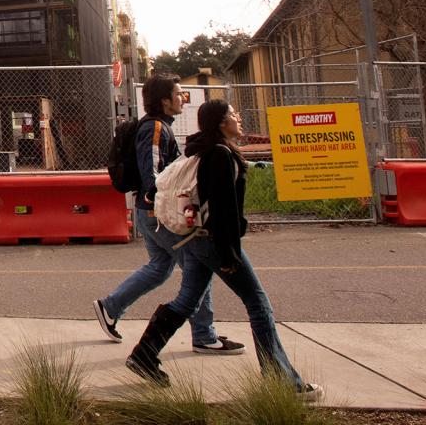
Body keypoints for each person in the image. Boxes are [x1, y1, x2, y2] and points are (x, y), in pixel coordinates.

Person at [124, 100, 322, 400]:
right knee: (258, 304)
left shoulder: (203, 149)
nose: (238, 119)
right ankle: (284, 382)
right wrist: (229, 254)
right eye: (232, 115)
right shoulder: (219, 155)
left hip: (199, 240)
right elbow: (223, 211)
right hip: (214, 242)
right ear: (220, 122)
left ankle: (144, 355)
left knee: (187, 300)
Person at [93, 74, 244, 355]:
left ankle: (110, 307)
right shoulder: (156, 128)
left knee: (160, 268)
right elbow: (151, 167)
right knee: (197, 268)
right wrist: (157, 198)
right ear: (164, 100)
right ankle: (204, 335)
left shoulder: (161, 126)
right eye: (178, 94)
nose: (182, 98)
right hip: (158, 213)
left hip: (149, 211)